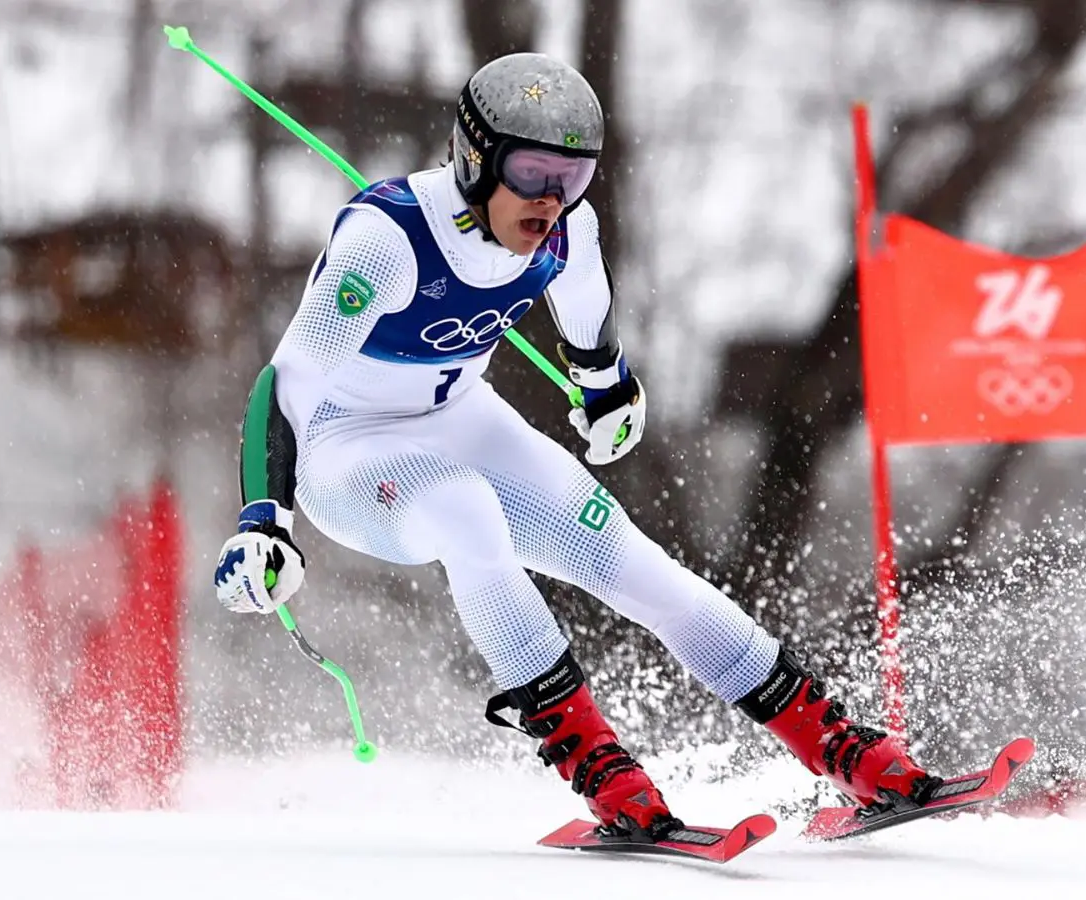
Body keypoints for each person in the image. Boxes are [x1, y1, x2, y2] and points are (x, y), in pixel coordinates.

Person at [211, 52, 936, 841]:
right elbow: (283, 385)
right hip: (344, 451)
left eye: (573, 175)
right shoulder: (386, 242)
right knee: (467, 513)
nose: (551, 198)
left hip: (461, 418)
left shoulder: (567, 230)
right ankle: (599, 769)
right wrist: (264, 520)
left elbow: (586, 314)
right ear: (473, 156)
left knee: (633, 563)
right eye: (529, 171)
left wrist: (607, 385)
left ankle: (840, 748)